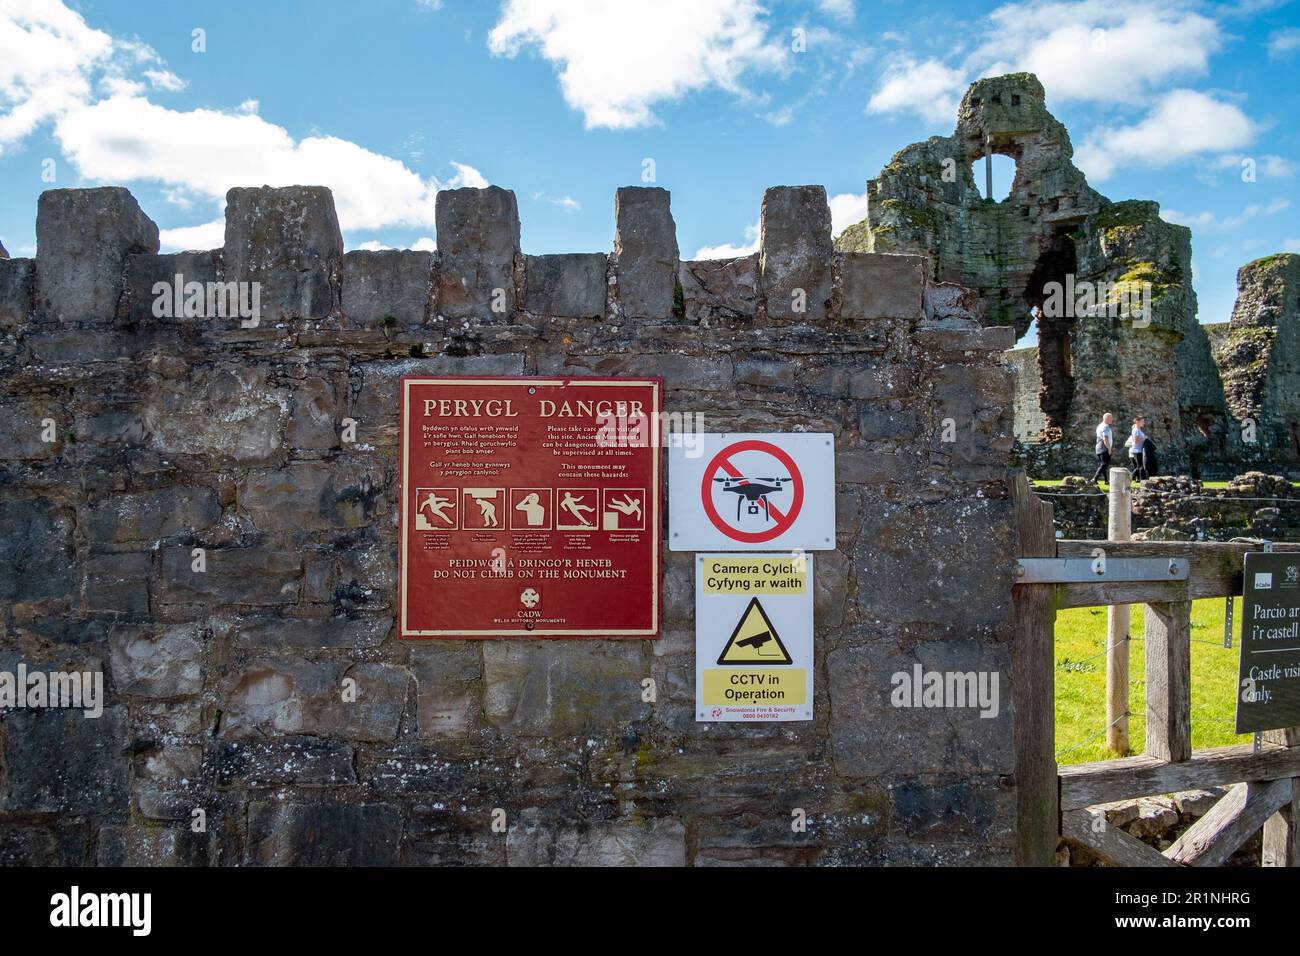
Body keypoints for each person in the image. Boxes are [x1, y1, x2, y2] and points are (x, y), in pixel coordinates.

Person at [1092, 412, 1114, 483]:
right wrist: (1109, 448)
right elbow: (1105, 438)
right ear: (1107, 418)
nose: (1112, 420)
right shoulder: (1105, 427)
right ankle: (1094, 479)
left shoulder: (1100, 425)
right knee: (1104, 464)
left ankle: (1106, 480)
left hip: (1099, 447)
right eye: (1111, 418)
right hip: (1103, 447)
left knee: (1103, 464)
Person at [1129, 416, 1148, 480]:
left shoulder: (1138, 429)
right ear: (1137, 422)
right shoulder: (1136, 430)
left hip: (1139, 450)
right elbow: (1136, 441)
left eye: (1143, 421)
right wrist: (1144, 438)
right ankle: (1130, 477)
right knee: (1140, 466)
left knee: (1140, 466)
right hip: (1137, 450)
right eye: (1142, 421)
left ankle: (1142, 480)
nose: (1143, 423)